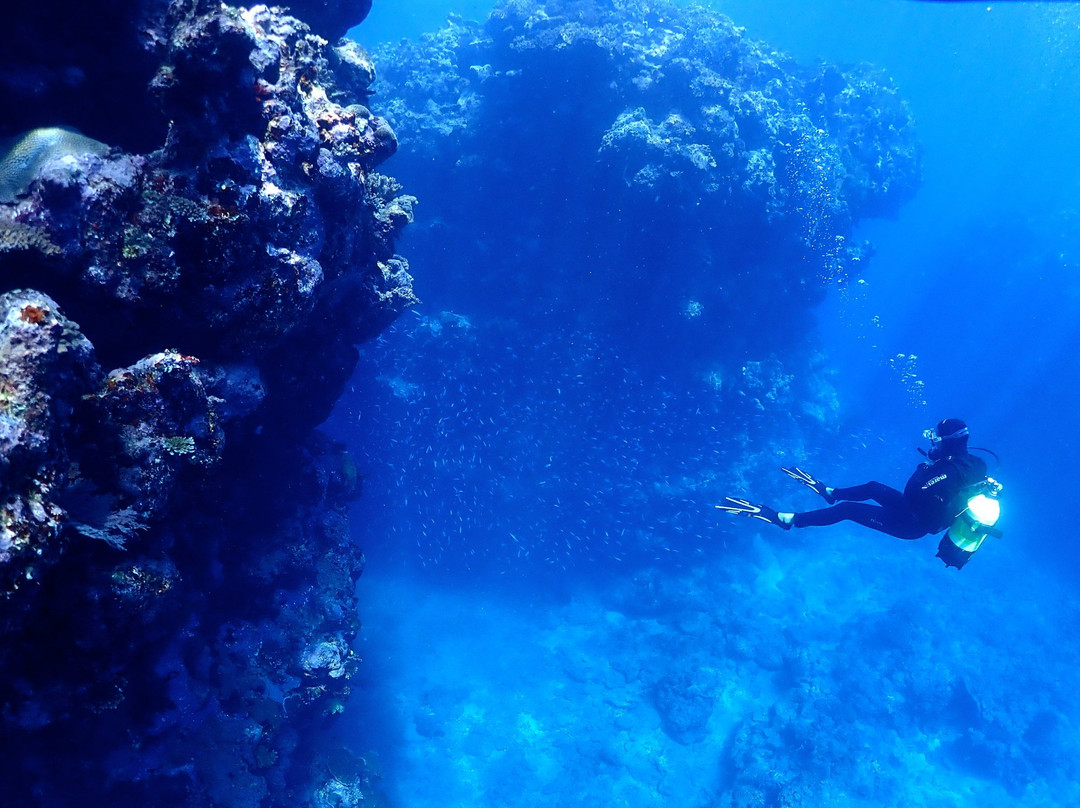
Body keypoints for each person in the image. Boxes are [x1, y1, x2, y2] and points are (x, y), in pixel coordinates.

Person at [718, 418, 1001, 569]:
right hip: (924, 510)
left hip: (914, 523)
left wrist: (925, 467)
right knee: (873, 487)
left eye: (935, 440)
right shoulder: (977, 463)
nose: (932, 444)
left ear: (946, 443)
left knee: (848, 511)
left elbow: (912, 491)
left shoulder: (945, 470)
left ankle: (786, 520)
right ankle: (831, 492)